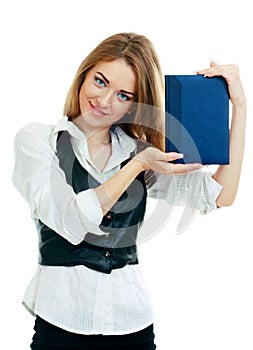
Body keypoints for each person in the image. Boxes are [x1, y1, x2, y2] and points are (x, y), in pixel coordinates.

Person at [12, 32, 246, 350]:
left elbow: (220, 195)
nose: (105, 101)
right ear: (83, 75)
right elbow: (70, 222)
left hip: (131, 324)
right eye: (100, 81)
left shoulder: (140, 152)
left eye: (123, 96)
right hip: (60, 321)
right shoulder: (40, 141)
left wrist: (241, 107)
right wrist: (135, 167)